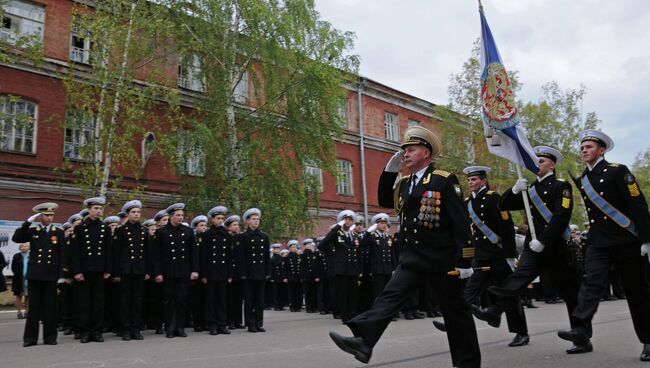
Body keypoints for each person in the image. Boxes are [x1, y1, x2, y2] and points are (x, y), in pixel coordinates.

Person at [329, 126, 481, 367]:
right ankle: (364, 342)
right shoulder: (406, 183)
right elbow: (384, 200)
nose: (406, 154)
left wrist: (464, 261)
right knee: (389, 297)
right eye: (405, 150)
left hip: (442, 259)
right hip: (413, 258)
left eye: (411, 149)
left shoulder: (443, 180)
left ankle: (467, 363)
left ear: (426, 153)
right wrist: (389, 172)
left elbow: (461, 222)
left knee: (456, 314)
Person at [481, 146, 592, 354]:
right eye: (535, 161)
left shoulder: (562, 186)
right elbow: (502, 205)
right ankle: (495, 309)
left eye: (541, 161)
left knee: (570, 292)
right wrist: (513, 190)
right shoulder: (529, 188)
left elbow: (561, 216)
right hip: (534, 246)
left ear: (552, 164)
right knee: (519, 277)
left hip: (556, 245)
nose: (537, 164)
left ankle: (582, 336)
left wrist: (543, 240)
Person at [557, 129, 650, 361]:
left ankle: (649, 340)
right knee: (591, 284)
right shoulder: (584, 178)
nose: (584, 151)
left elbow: (638, 204)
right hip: (599, 242)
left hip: (626, 240)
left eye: (588, 147)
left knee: (637, 292)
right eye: (582, 148)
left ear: (602, 150)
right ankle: (580, 328)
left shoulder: (618, 171)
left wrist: (647, 238)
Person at [435, 166, 529, 347]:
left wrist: (510, 255)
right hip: (480, 256)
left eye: (475, 179)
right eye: (469, 180)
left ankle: (521, 332)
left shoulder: (494, 199)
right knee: (468, 293)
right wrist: (466, 258)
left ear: (483, 181)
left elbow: (506, 227)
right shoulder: (467, 202)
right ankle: (452, 322)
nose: (471, 183)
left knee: (509, 295)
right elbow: (467, 233)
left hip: (498, 255)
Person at [12, 202, 65, 347]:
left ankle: (50, 337)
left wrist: (61, 275)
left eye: (51, 215)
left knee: (50, 308)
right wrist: (27, 222)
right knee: (34, 308)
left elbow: (61, 254)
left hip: (51, 274)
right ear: (40, 216)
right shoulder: (33, 231)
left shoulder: (58, 232)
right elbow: (16, 238)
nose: (49, 218)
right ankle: (30, 338)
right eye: (46, 215)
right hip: (35, 274)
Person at [152, 203, 199, 338]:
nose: (180, 218)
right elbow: (157, 255)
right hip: (168, 272)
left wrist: (195, 270)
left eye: (182, 215)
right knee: (169, 301)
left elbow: (193, 253)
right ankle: (170, 327)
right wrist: (158, 273)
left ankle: (180, 327)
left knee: (181, 300)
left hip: (184, 271)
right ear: (171, 216)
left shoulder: (188, 231)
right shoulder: (162, 232)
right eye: (178, 215)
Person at [71, 197, 112, 343]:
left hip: (99, 270)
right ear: (89, 210)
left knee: (98, 303)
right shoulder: (80, 228)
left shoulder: (104, 228)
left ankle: (97, 331)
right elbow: (75, 252)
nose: (98, 211)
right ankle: (85, 331)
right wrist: (77, 271)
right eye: (96, 208)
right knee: (84, 303)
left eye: (100, 208)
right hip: (85, 270)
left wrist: (108, 269)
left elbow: (108, 251)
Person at [318, 210, 362, 324]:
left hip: (352, 269)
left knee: (353, 293)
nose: (348, 221)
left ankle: (353, 314)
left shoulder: (354, 235)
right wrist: (337, 227)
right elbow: (322, 245)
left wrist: (359, 269)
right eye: (345, 220)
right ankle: (345, 316)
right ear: (342, 222)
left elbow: (358, 253)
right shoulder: (336, 234)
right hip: (341, 269)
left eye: (350, 220)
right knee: (342, 294)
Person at [114, 200, 148, 341]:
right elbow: (116, 253)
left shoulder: (143, 231)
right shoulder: (121, 230)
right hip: (126, 270)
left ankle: (136, 328)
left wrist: (147, 271)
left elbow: (147, 253)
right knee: (125, 300)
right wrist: (116, 273)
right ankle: (125, 329)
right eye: (133, 212)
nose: (136, 214)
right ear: (128, 214)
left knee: (137, 300)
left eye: (138, 212)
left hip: (139, 270)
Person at [201, 206, 231, 336]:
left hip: (223, 272)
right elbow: (203, 256)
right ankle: (212, 324)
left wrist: (230, 274)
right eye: (218, 218)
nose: (220, 221)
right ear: (212, 219)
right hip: (211, 272)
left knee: (222, 300)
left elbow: (230, 257)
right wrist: (203, 274)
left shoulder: (226, 234)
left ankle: (222, 324)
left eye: (222, 218)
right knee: (211, 300)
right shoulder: (207, 235)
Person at [241, 208, 271, 333]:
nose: (256, 221)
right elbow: (241, 257)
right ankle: (250, 324)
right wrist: (242, 273)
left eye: (258, 219)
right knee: (249, 299)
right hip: (249, 273)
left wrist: (268, 272)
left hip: (261, 272)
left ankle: (259, 323)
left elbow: (266, 256)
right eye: (253, 219)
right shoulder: (243, 237)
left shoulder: (264, 236)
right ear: (248, 221)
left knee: (259, 299)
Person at [225, 215, 245, 330]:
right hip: (229, 273)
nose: (237, 227)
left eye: (237, 225)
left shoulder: (241, 239)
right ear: (228, 227)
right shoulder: (226, 238)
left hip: (239, 272)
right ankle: (230, 321)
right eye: (234, 225)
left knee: (239, 298)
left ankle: (238, 321)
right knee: (230, 298)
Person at [300, 238, 320, 313]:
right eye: (308, 244)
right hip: (306, 277)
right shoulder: (303, 255)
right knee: (308, 293)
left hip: (313, 277)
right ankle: (309, 308)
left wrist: (316, 276)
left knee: (314, 293)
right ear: (305, 246)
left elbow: (315, 266)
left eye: (310, 244)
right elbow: (302, 267)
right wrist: (303, 277)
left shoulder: (314, 254)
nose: (310, 246)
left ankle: (314, 307)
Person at [11, 243, 30, 319]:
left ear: (28, 247)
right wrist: (19, 274)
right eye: (22, 246)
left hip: (29, 279)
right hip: (19, 279)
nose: (24, 247)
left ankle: (27, 312)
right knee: (19, 295)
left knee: (28, 296)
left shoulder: (31, 255)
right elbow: (13, 268)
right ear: (20, 248)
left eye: (25, 246)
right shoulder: (16, 256)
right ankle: (19, 312)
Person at [284, 240, 302, 312]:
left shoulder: (299, 257)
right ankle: (292, 306)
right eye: (293, 247)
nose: (294, 248)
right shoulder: (287, 257)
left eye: (295, 247)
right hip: (290, 277)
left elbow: (301, 267)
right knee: (291, 292)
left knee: (298, 292)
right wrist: (285, 277)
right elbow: (285, 268)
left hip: (298, 277)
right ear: (290, 248)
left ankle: (298, 306)